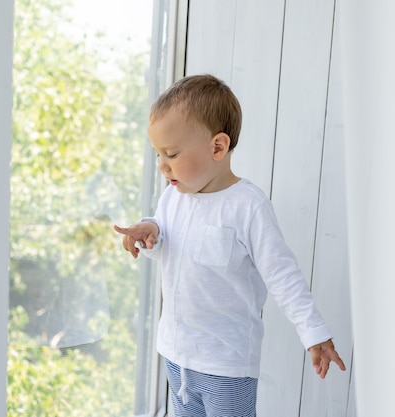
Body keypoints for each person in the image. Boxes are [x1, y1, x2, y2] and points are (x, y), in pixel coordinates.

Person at [114, 74, 345, 417]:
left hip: (225, 364)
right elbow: (168, 240)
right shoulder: (172, 197)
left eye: (172, 154)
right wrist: (150, 231)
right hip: (176, 354)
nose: (162, 165)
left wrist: (313, 332)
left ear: (217, 147)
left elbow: (282, 274)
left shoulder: (247, 206)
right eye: (158, 154)